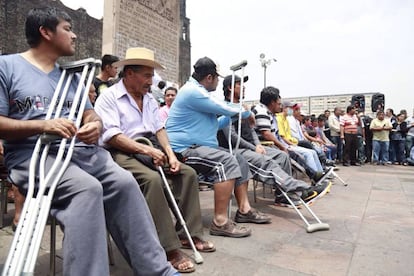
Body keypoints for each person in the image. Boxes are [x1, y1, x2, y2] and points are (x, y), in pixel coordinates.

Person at [0, 7, 176, 275]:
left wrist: (95, 124)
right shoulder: (7, 67)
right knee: (87, 189)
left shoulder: (71, 77)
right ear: (45, 32)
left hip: (80, 152)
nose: (75, 35)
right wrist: (43, 124)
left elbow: (90, 113)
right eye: (67, 29)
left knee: (124, 182)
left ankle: (158, 270)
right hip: (34, 154)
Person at [94, 47, 214, 273]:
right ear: (129, 73)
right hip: (120, 151)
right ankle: (168, 248)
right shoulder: (109, 97)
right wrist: (148, 152)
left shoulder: (148, 99)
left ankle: (189, 234)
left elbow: (159, 129)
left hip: (150, 147)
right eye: (147, 75)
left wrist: (169, 154)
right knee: (151, 180)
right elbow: (112, 136)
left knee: (186, 173)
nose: (151, 81)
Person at [166, 57, 271, 239]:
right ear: (209, 77)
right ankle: (220, 222)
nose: (217, 82)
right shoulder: (193, 91)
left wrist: (237, 115)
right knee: (226, 162)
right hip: (185, 150)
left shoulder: (197, 92)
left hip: (199, 147)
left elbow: (215, 122)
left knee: (239, 158)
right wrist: (245, 111)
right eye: (217, 78)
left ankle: (244, 210)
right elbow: (222, 107)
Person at [218, 75, 329, 207]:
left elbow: (251, 130)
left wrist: (258, 145)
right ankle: (298, 189)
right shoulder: (224, 108)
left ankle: (283, 196)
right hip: (234, 149)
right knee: (265, 160)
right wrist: (254, 148)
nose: (243, 87)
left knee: (282, 155)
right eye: (239, 84)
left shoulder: (243, 108)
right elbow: (232, 137)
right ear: (230, 88)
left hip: (251, 147)